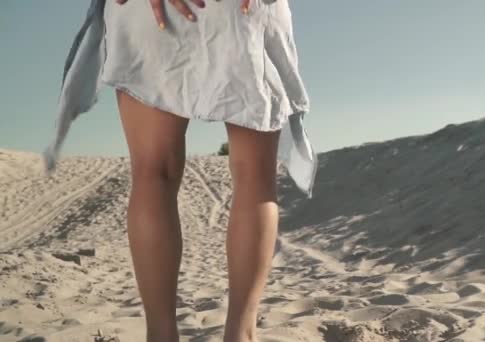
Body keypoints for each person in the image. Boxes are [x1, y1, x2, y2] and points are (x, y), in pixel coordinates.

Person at [42, 0, 318, 341]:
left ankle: (160, 336)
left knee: (152, 172)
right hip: (244, 10)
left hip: (150, 12)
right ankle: (241, 336)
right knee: (255, 177)